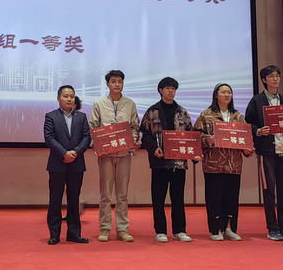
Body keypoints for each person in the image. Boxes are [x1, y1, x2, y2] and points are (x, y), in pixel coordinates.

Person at [140, 77, 198, 243]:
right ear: (161, 90)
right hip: (159, 162)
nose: (171, 91)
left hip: (179, 162)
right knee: (158, 199)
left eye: (173, 88)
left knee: (178, 198)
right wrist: (153, 148)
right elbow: (145, 135)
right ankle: (160, 231)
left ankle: (180, 230)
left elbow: (190, 134)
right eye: (168, 88)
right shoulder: (152, 111)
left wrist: (194, 154)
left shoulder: (182, 111)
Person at [245, 65, 283, 241]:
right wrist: (258, 131)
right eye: (271, 76)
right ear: (264, 80)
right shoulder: (257, 101)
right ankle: (273, 228)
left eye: (277, 76)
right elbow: (248, 124)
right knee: (269, 191)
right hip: (267, 152)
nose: (275, 79)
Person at [194, 83, 253, 241]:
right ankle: (215, 230)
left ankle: (229, 228)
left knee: (231, 198)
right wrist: (207, 139)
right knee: (214, 198)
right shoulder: (206, 115)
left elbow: (245, 138)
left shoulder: (238, 116)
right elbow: (196, 136)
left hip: (234, 164)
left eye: (229, 92)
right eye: (223, 92)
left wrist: (248, 149)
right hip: (214, 164)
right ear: (216, 95)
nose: (227, 95)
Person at [89, 70, 140, 243]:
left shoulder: (130, 104)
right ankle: (104, 228)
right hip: (106, 155)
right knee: (105, 194)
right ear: (107, 84)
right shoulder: (99, 103)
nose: (117, 84)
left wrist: (133, 140)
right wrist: (98, 144)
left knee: (122, 194)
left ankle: (122, 229)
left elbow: (134, 127)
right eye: (113, 81)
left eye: (120, 81)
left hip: (124, 154)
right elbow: (93, 127)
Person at [44, 85, 92, 245]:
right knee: (55, 200)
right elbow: (49, 138)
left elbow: (87, 137)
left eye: (71, 96)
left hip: (76, 164)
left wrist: (75, 152)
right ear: (58, 98)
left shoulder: (81, 117)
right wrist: (64, 153)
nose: (69, 99)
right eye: (65, 96)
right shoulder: (51, 116)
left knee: (74, 199)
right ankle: (54, 234)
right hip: (57, 164)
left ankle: (74, 234)